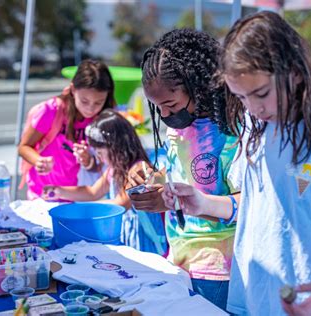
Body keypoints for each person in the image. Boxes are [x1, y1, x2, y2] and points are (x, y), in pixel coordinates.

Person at [162, 12, 311, 315]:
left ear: (293, 71)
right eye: (242, 98)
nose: (253, 109)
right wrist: (202, 203)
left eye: (261, 94)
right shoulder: (256, 127)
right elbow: (253, 204)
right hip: (251, 300)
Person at [128, 28, 237, 310]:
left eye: (170, 105)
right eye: (158, 109)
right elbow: (180, 176)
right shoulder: (178, 128)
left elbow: (249, 201)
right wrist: (150, 176)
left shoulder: (230, 132)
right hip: (178, 257)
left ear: (198, 86)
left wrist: (199, 203)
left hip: (218, 266)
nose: (164, 115)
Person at [18, 59, 115, 200]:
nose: (90, 108)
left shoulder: (104, 118)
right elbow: (23, 147)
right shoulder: (51, 110)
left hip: (76, 195)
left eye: (98, 102)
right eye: (84, 101)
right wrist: (39, 161)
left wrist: (88, 161)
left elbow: (104, 166)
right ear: (73, 89)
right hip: (42, 194)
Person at [42, 109, 151, 208]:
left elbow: (121, 203)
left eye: (99, 152)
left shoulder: (138, 169)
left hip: (143, 230)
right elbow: (92, 192)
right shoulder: (114, 169)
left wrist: (79, 208)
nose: (98, 158)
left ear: (116, 147)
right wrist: (59, 191)